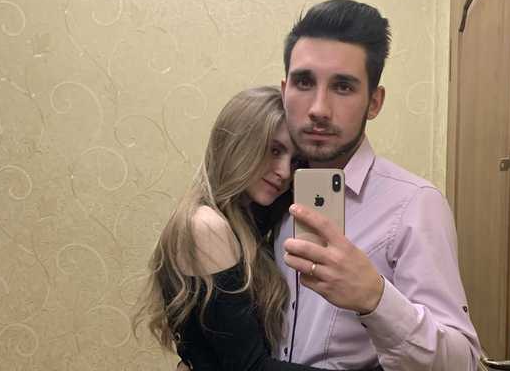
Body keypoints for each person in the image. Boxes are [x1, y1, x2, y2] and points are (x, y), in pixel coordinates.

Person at [274, 0, 482, 370]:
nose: (319, 108)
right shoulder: (266, 192)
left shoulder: (414, 204)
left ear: (374, 102)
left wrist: (374, 297)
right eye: (304, 82)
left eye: (343, 87)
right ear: (284, 89)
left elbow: (462, 361)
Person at [133, 86, 380, 371]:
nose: (284, 172)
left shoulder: (248, 225)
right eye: (274, 150)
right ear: (239, 145)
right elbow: (250, 366)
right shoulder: (206, 225)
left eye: (294, 160)